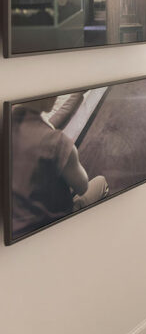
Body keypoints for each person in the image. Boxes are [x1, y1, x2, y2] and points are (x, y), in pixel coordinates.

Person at [10, 95, 109, 240]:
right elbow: (82, 187)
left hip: (16, 227)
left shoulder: (11, 123)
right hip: (52, 227)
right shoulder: (58, 144)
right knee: (101, 182)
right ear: (47, 100)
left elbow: (51, 124)